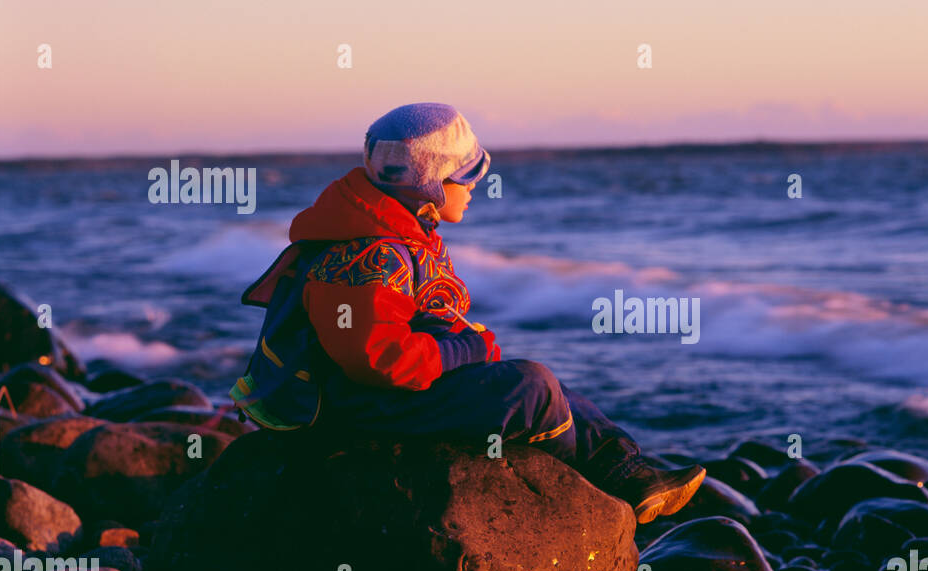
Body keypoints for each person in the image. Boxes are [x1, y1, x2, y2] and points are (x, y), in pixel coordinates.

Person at [230, 102, 706, 523]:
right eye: (466, 176)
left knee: (547, 386)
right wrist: (466, 348)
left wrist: (461, 345)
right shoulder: (366, 255)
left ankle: (628, 473)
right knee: (531, 388)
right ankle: (574, 503)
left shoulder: (399, 231)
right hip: (347, 410)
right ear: (429, 184)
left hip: (382, 392)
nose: (475, 187)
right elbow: (379, 360)